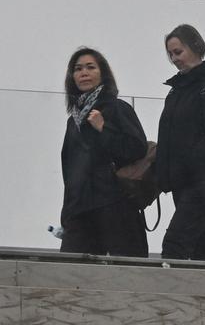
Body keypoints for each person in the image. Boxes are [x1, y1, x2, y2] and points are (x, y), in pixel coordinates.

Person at [151, 24, 205, 260]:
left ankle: (168, 283)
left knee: (175, 243)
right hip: (185, 179)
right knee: (201, 245)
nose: (174, 59)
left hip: (204, 179)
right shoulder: (178, 89)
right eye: (171, 54)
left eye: (178, 52)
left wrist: (189, 164)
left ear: (196, 47)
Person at [59, 46, 150, 257]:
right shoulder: (73, 121)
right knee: (71, 269)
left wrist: (103, 128)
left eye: (90, 67)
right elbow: (69, 170)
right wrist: (67, 213)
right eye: (78, 69)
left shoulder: (117, 108)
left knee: (127, 268)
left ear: (103, 73)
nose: (84, 73)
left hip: (115, 204)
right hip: (80, 209)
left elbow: (137, 148)